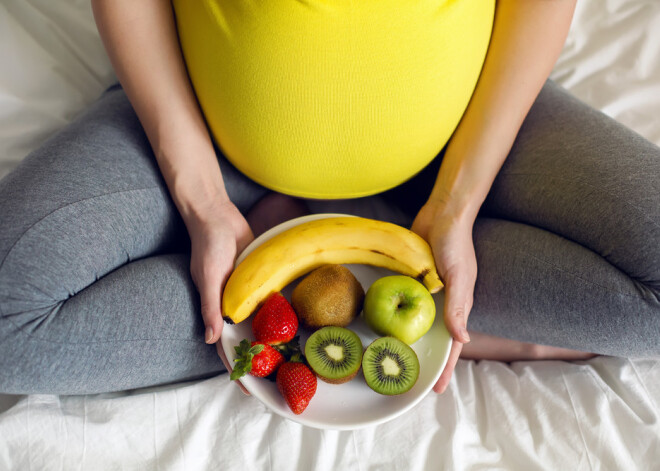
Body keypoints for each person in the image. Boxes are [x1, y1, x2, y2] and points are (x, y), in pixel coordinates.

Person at [0, 0, 658, 396]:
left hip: (464, 136)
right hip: (205, 136)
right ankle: (359, 303)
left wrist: (460, 200)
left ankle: (347, 286)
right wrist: (199, 198)